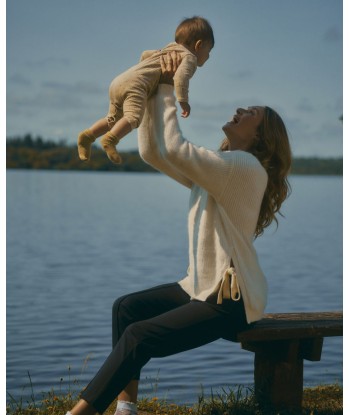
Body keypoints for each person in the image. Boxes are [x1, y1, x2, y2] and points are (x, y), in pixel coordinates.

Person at [66, 52, 292, 415]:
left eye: (251, 113)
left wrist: (169, 86)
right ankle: (126, 410)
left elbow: (173, 147)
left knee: (139, 336)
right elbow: (154, 152)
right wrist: (156, 86)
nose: (240, 109)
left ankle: (80, 413)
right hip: (199, 289)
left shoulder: (245, 168)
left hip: (228, 301)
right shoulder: (222, 169)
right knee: (127, 309)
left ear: (261, 135)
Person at [77, 16, 214, 165]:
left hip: (120, 80)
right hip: (137, 85)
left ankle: (87, 136)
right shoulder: (189, 58)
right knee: (133, 118)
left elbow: (144, 54)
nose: (209, 56)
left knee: (113, 118)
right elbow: (180, 78)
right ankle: (110, 140)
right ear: (199, 45)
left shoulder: (167, 49)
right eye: (209, 50)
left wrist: (143, 71)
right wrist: (183, 101)